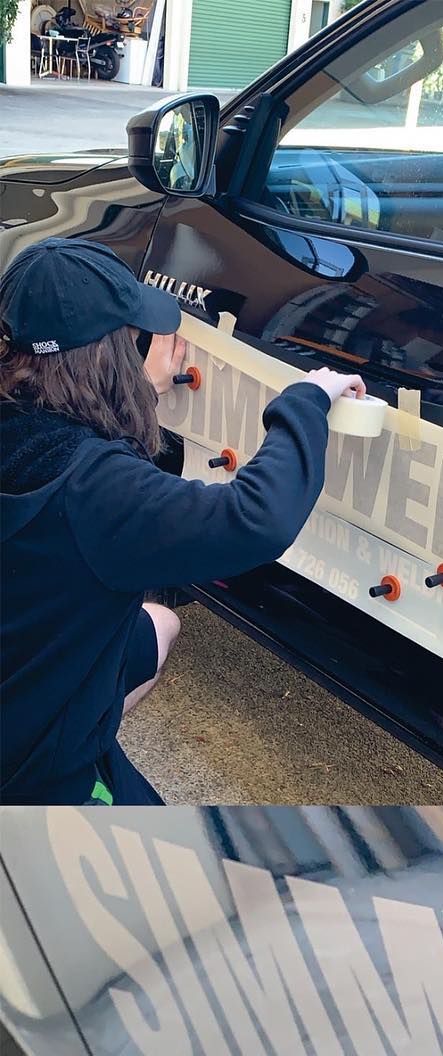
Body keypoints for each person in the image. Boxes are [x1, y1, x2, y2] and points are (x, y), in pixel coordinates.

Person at [1, 238, 365, 806]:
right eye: (127, 336)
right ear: (105, 354)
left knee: (158, 625)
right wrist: (306, 400)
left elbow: (76, 472)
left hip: (20, 659)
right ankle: (63, 768)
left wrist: (142, 393)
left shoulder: (41, 448)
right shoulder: (95, 491)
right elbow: (255, 519)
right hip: (23, 773)